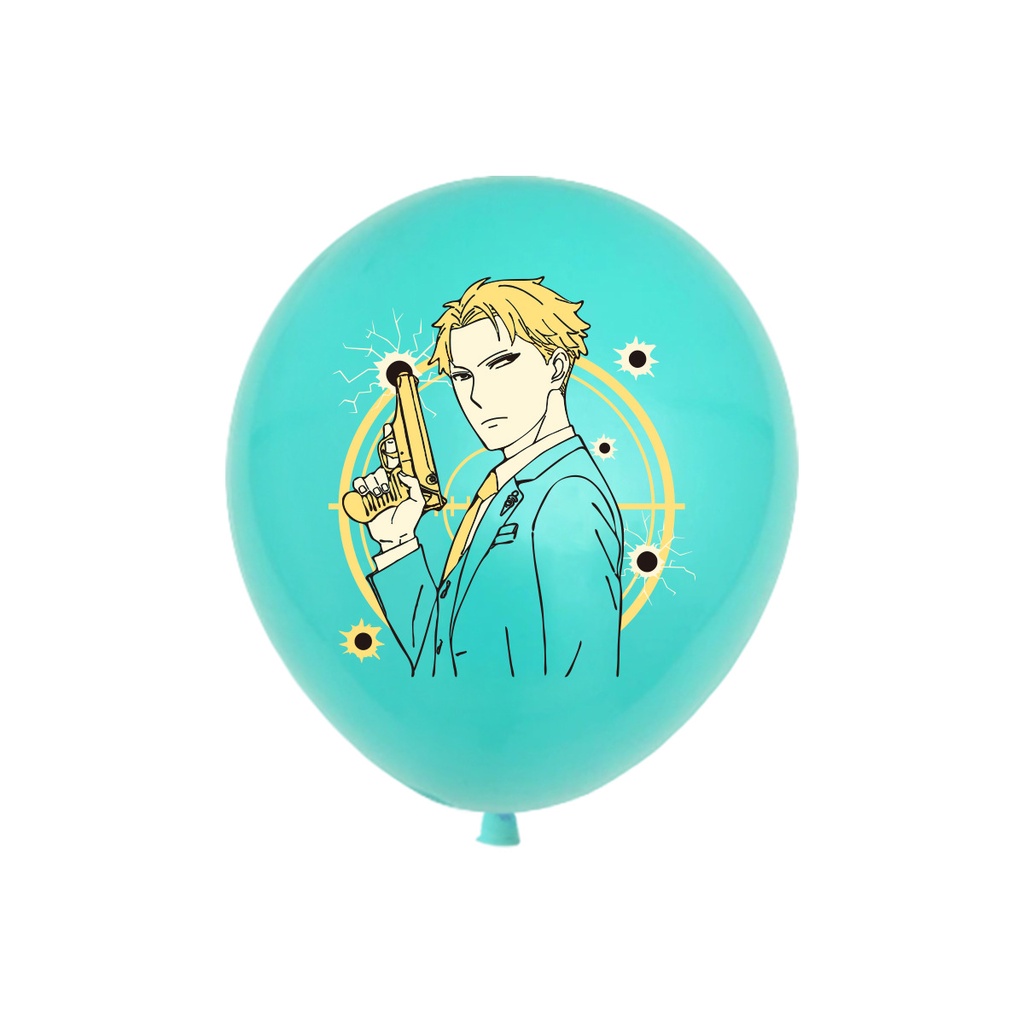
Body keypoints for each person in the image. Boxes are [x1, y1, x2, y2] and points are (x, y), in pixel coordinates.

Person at [354, 277, 623, 678]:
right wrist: (397, 540)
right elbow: (440, 655)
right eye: (462, 376)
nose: (477, 396)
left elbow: (582, 675)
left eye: (501, 364)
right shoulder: (501, 491)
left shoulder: (568, 495)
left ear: (556, 366)